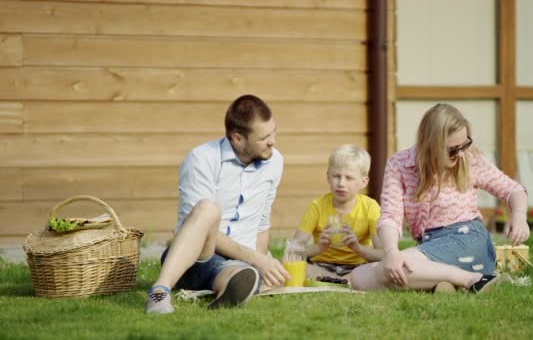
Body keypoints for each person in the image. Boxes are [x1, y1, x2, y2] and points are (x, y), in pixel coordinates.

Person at [350, 103, 530, 293]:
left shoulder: (470, 159)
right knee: (359, 276)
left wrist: (519, 217)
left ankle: (471, 279)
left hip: (469, 241)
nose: (461, 154)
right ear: (431, 144)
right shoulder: (399, 165)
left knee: (385, 271)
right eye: (453, 149)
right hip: (430, 248)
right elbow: (390, 216)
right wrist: (391, 252)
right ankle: (451, 282)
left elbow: (513, 190)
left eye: (465, 145)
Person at [145, 94, 290, 314]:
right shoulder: (202, 159)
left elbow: (262, 220)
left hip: (235, 262)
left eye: (274, 132)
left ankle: (231, 286)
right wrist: (256, 258)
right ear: (237, 139)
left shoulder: (274, 161)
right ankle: (159, 292)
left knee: (242, 275)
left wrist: (259, 265)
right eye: (264, 138)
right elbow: (194, 226)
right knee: (207, 209)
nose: (273, 141)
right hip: (195, 257)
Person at [293, 144, 383, 282]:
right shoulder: (317, 206)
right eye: (336, 176)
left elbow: (382, 254)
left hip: (358, 266)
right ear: (328, 177)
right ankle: (344, 281)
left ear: (363, 182)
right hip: (320, 266)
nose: (341, 183)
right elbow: (293, 251)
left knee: (382, 267)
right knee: (294, 264)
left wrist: (358, 248)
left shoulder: (371, 207)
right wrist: (319, 248)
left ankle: (333, 281)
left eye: (349, 178)